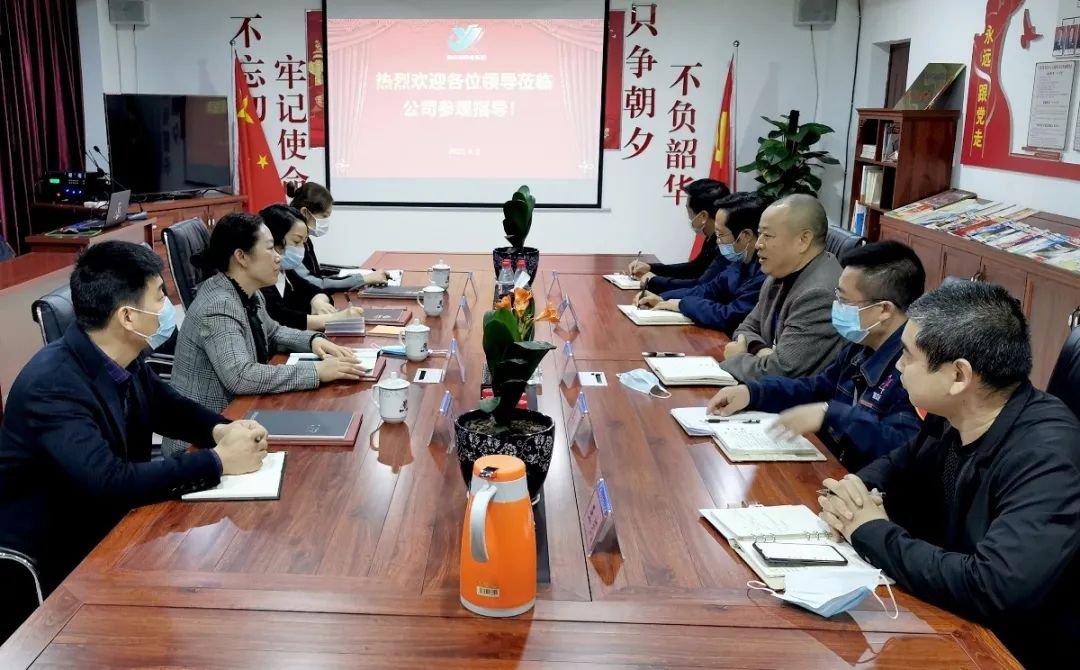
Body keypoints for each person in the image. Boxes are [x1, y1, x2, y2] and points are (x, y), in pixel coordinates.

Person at [0, 241, 268, 636]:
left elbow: (168, 406)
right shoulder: (53, 384)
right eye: (159, 295)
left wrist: (223, 429)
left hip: (112, 525)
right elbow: (109, 482)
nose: (167, 305)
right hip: (57, 551)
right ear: (127, 316)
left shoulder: (120, 354)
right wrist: (218, 461)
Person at [817, 282, 1080, 668]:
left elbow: (993, 586)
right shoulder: (953, 414)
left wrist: (869, 530)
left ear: (958, 375)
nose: (898, 367)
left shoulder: (1046, 455)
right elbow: (896, 466)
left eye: (907, 356)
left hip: (1008, 651)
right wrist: (853, 493)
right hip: (947, 618)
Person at [707, 241, 924, 471]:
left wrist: (831, 414)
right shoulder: (861, 345)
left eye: (845, 301)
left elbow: (903, 446)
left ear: (884, 310)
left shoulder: (914, 367)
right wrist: (752, 393)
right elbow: (815, 388)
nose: (836, 307)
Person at [163, 212, 367, 457]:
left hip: (240, 417)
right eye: (270, 248)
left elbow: (273, 332)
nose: (278, 256)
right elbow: (241, 376)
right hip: (200, 442)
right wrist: (316, 371)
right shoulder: (219, 305)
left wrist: (314, 341)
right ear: (241, 257)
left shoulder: (248, 291)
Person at [719, 194, 844, 383]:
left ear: (803, 240)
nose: (758, 244)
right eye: (759, 234)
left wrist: (738, 358)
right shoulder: (779, 273)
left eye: (767, 235)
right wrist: (762, 351)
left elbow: (779, 372)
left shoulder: (819, 294)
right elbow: (745, 328)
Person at [635, 192, 768, 333]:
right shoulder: (740, 262)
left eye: (721, 234)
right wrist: (662, 298)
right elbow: (708, 289)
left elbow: (729, 316)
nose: (717, 241)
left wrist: (682, 304)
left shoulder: (765, 271)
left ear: (746, 236)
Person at [258, 204, 365, 331]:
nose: (301, 249)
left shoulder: (286, 272)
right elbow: (281, 319)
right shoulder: (260, 279)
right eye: (296, 242)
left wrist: (317, 302)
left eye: (303, 243)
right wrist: (335, 318)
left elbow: (314, 290)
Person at [627, 178, 730, 294]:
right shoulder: (712, 237)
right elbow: (695, 268)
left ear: (703, 216)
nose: (689, 217)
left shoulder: (726, 245)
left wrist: (653, 281)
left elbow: (700, 285)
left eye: (689, 211)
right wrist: (651, 268)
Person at [286, 181, 390, 293]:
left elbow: (317, 274)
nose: (326, 221)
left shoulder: (305, 240)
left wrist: (364, 275)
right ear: (305, 212)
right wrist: (364, 279)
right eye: (324, 216)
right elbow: (312, 282)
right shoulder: (288, 242)